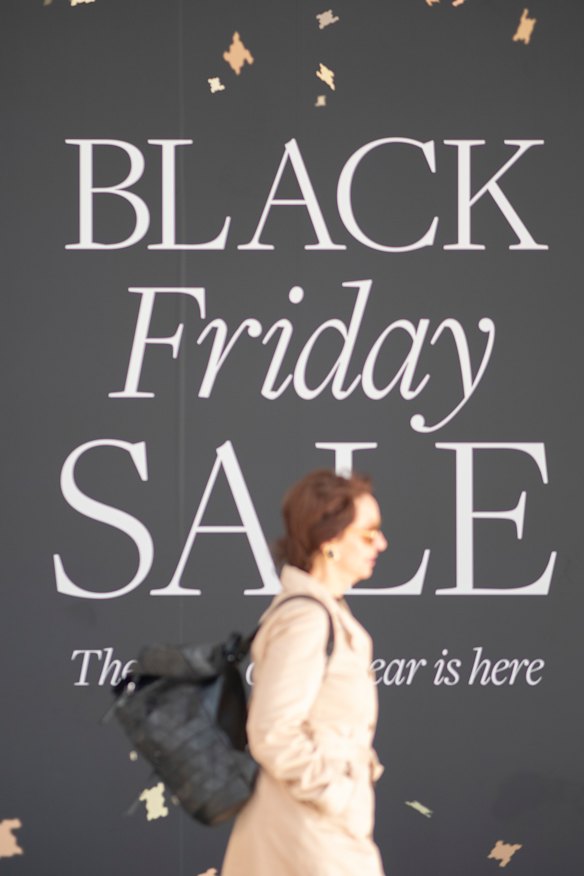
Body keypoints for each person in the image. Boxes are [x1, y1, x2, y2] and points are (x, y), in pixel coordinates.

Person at [222, 469, 388, 876]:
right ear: (329, 541)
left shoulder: (321, 611)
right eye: (368, 533)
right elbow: (272, 730)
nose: (381, 543)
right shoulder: (307, 619)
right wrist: (336, 794)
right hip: (308, 836)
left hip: (315, 828)